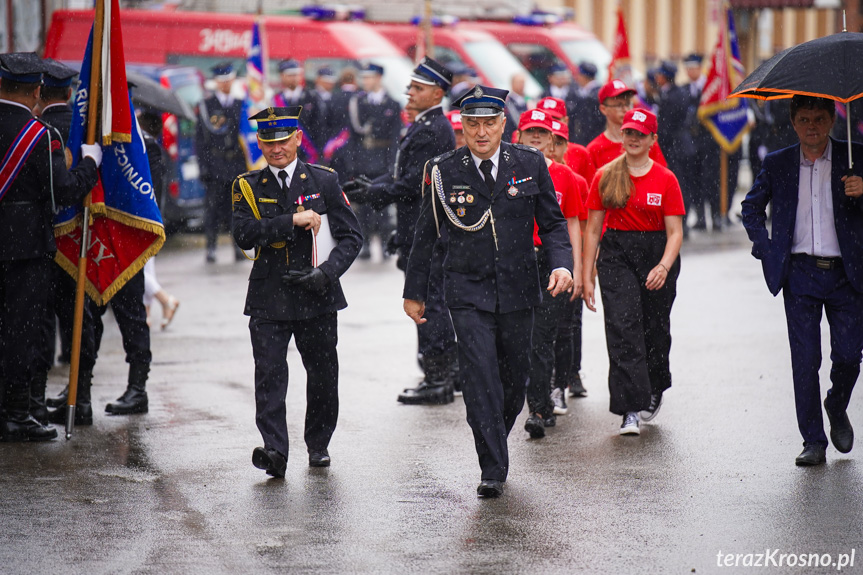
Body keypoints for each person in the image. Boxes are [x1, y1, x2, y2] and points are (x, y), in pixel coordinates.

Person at [403, 86, 574, 497]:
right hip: (466, 288)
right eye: (472, 124)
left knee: (514, 379)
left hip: (518, 287)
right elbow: (425, 235)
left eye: (489, 123)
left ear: (503, 124)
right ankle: (492, 468)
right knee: (480, 376)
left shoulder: (530, 163)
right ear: (462, 125)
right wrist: (415, 292)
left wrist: (562, 264)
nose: (481, 133)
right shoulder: (443, 169)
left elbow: (552, 224)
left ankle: (494, 428)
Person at [232, 106, 362, 477]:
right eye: (268, 142)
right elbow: (243, 234)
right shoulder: (247, 186)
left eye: (284, 141)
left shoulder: (324, 180)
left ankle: (318, 443)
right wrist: (291, 221)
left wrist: (326, 274)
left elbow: (352, 237)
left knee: (323, 374)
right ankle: (275, 450)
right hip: (269, 293)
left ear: (297, 139)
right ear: (259, 142)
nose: (276, 149)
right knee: (269, 375)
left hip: (317, 293)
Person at [741, 95, 863, 466]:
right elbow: (750, 207)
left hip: (847, 273)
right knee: (805, 359)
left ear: (831, 120)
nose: (813, 126)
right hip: (800, 274)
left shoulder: (855, 157)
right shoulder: (778, 163)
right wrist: (768, 249)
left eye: (820, 119)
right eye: (805, 119)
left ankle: (836, 403)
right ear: (794, 122)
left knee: (848, 356)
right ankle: (813, 440)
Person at [0, 52, 101, 441]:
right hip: (25, 246)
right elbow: (65, 191)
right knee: (21, 332)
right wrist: (90, 164)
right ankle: (16, 414)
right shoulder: (39, 135)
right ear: (37, 90)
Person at [346, 58, 459, 405]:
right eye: (410, 87)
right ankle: (446, 374)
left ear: (437, 93)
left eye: (418, 88)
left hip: (427, 228)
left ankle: (438, 378)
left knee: (427, 303)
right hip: (418, 226)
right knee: (429, 300)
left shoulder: (432, 128)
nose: (410, 93)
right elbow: (402, 176)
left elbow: (413, 183)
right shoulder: (424, 124)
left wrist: (374, 193)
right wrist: (371, 185)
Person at [582, 108, 684, 436]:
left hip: (657, 254)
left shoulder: (666, 179)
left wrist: (664, 266)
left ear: (653, 140)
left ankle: (655, 385)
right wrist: (586, 275)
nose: (634, 139)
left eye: (641, 134)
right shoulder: (606, 175)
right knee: (623, 327)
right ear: (622, 136)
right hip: (616, 256)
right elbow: (593, 231)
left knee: (654, 329)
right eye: (628, 133)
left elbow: (675, 233)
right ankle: (629, 408)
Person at [514, 108, 585, 439]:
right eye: (531, 132)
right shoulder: (507, 172)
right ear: (518, 136)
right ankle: (516, 400)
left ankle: (539, 409)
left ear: (553, 138)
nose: (537, 137)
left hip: (551, 262)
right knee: (517, 339)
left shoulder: (566, 177)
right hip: (516, 262)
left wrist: (575, 269)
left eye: (543, 132)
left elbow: (571, 225)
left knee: (542, 337)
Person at [344, 63, 401, 260]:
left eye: (368, 77)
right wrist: (351, 162)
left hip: (382, 159)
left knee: (383, 205)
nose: (365, 82)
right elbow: (351, 136)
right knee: (363, 206)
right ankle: (366, 243)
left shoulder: (392, 104)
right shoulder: (358, 103)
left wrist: (392, 163)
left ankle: (385, 242)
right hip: (363, 159)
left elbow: (394, 138)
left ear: (378, 78)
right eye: (363, 78)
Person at [196, 62, 247, 264]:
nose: (225, 84)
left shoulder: (241, 104)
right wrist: (203, 166)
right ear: (216, 82)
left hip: (235, 164)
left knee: (237, 209)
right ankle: (211, 247)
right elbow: (200, 140)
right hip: (215, 163)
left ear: (233, 80)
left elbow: (246, 136)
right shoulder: (206, 106)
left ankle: (237, 247)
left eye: (228, 80)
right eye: (221, 81)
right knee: (212, 209)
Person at [587, 80, 667, 171]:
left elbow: (662, 177)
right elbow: (591, 184)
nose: (625, 109)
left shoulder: (646, 140)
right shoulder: (594, 149)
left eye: (628, 103)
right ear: (603, 109)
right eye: (619, 105)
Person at [571, 62, 604, 145]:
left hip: (591, 139)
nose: (577, 78)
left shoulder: (595, 95)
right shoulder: (582, 92)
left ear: (584, 77)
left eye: (579, 75)